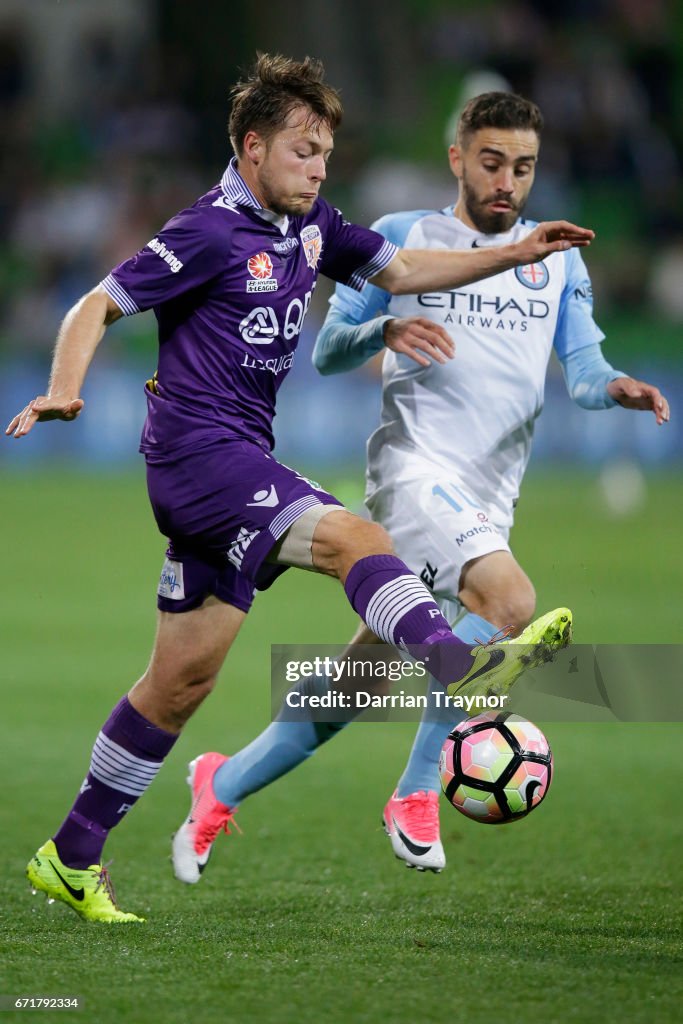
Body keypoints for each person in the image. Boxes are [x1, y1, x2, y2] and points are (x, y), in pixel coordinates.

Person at [6, 59, 591, 923]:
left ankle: (72, 854)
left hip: (232, 463)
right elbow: (97, 304)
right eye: (302, 150)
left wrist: (513, 252)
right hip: (198, 459)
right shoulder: (206, 230)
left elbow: (401, 271)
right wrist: (64, 385)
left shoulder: (311, 224)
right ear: (251, 149)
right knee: (359, 539)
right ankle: (453, 663)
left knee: (178, 685)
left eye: (325, 152)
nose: (318, 168)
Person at [187, 90, 669, 878]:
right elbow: (330, 350)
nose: (506, 181)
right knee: (508, 603)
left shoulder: (557, 259)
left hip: (488, 496)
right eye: (490, 163)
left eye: (522, 167)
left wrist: (615, 386)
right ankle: (415, 791)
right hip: (412, 471)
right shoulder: (404, 239)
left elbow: (581, 371)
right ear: (456, 157)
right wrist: (383, 326)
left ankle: (221, 784)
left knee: (358, 682)